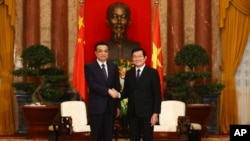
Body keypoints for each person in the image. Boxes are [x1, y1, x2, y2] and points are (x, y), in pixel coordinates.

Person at [110, 47, 162, 141]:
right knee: (133, 138)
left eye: (139, 56)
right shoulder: (129, 73)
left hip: (148, 114)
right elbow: (126, 92)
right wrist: (118, 94)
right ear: (132, 59)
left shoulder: (152, 73)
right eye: (135, 57)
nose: (137, 59)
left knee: (148, 138)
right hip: (133, 113)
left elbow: (157, 95)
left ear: (145, 58)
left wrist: (155, 113)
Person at [84, 42, 121, 141]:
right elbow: (92, 84)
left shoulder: (113, 67)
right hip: (97, 108)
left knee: (108, 136)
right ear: (96, 53)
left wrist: (117, 106)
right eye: (100, 51)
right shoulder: (89, 67)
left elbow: (117, 86)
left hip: (111, 108)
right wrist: (108, 91)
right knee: (97, 136)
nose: (103, 53)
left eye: (105, 51)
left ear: (108, 53)